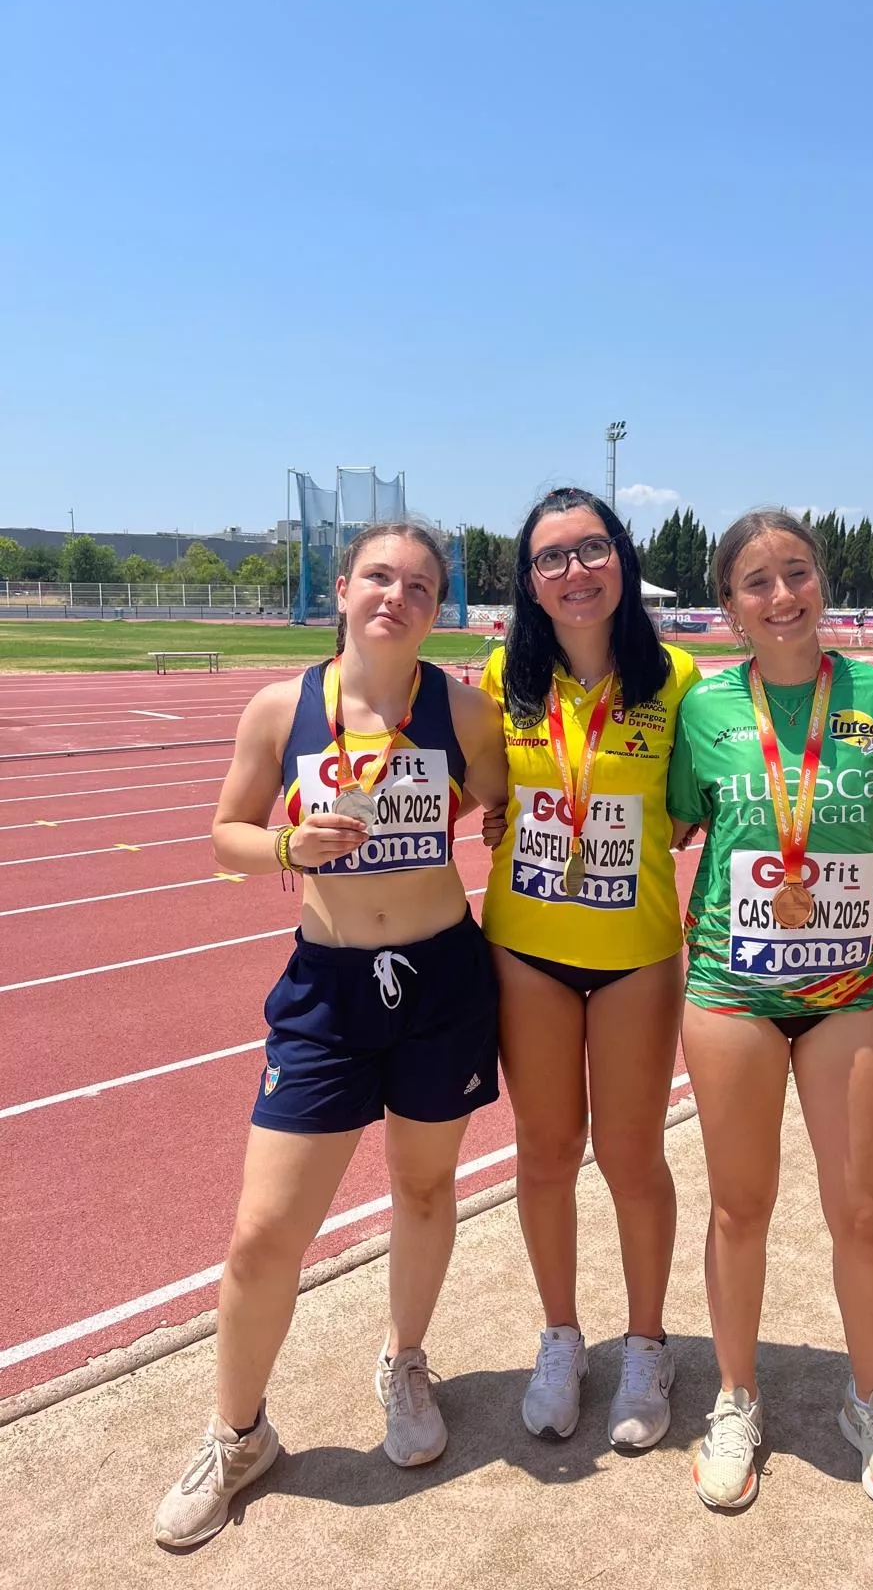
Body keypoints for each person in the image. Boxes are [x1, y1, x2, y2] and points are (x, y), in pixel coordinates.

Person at [154, 522, 509, 1550]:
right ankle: (237, 1434)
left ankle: (405, 1360)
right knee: (265, 1233)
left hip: (442, 979)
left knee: (427, 1190)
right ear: (344, 588)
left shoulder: (462, 708)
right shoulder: (283, 708)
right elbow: (223, 839)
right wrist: (281, 843)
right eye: (379, 578)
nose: (396, 596)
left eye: (420, 584)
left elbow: (504, 797)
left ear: (437, 606)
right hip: (327, 994)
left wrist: (489, 818)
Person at [668, 507, 873, 1513]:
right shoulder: (707, 712)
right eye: (757, 582)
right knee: (740, 1206)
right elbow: (660, 820)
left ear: (822, 582)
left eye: (796, 572)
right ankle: (736, 1398)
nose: (782, 594)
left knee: (860, 1211)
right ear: (729, 607)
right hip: (730, 992)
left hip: (848, 994)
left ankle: (871, 1402)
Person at [479, 487, 700, 1452]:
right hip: (525, 950)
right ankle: (562, 1338)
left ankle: (647, 1343)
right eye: (552, 559)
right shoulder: (497, 680)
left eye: (591, 550)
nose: (575, 572)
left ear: (623, 559)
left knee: (631, 1157)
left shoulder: (681, 678)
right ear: (529, 583)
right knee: (545, 1150)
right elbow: (465, 786)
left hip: (636, 957)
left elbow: (698, 805)